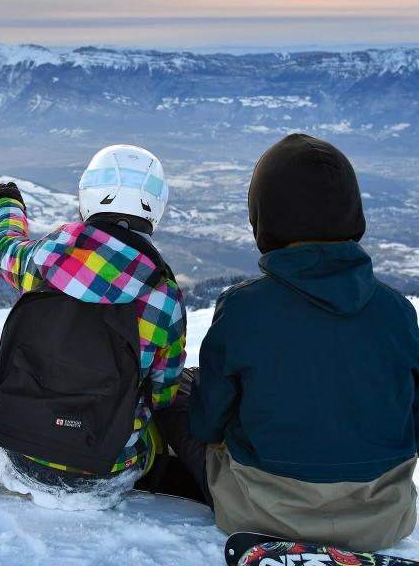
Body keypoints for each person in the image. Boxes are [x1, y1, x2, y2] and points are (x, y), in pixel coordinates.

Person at [159, 133, 419, 551]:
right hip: (383, 516)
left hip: (263, 511)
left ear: (264, 214)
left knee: (176, 395)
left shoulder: (244, 309)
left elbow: (207, 425)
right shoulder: (399, 313)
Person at [0, 145, 187, 510]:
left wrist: (7, 203)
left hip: (16, 457)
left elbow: (4, 249)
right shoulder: (162, 296)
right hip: (105, 473)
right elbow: (162, 394)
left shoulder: (46, 260)